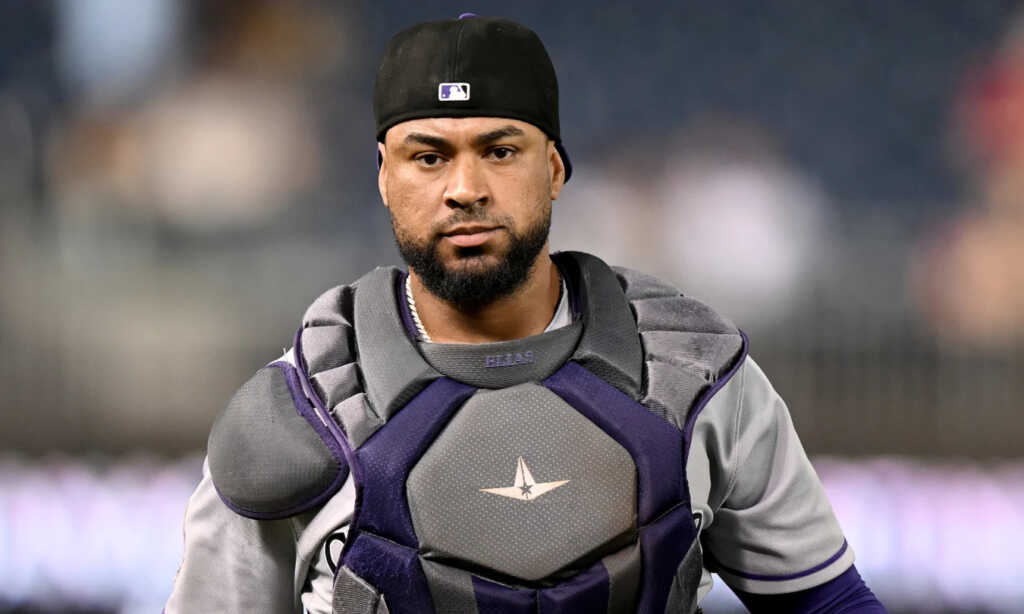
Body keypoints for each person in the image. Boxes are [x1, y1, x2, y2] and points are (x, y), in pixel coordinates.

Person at [165, 16, 887, 614]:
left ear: (556, 168)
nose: (465, 188)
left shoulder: (697, 380)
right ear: (384, 176)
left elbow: (827, 602)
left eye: (500, 150)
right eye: (429, 157)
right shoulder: (297, 413)